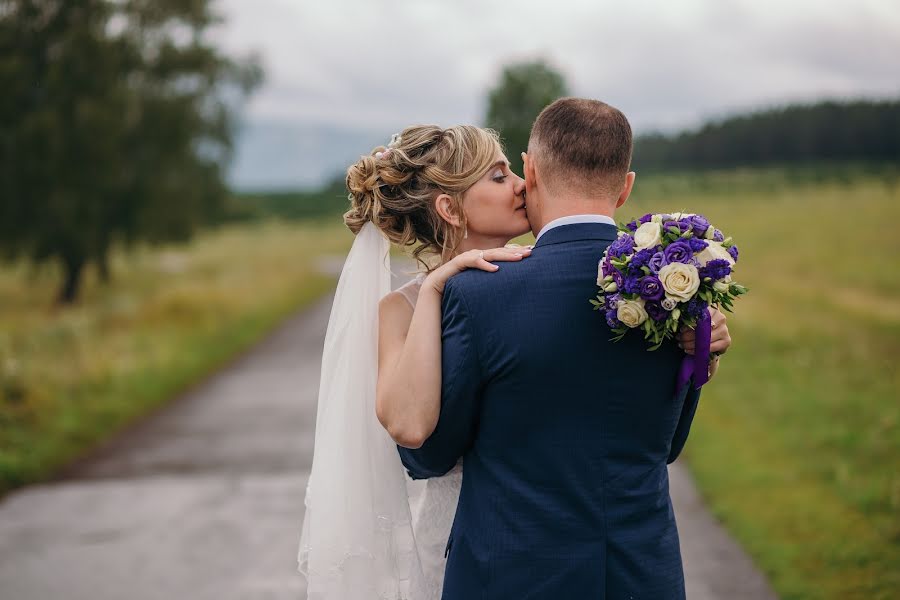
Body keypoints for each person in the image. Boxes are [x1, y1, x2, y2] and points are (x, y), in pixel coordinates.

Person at [299, 121, 730, 599]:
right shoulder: (403, 308)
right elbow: (414, 436)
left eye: (513, 170)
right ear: (450, 207)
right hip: (473, 547)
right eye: (499, 176)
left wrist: (700, 348)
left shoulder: (566, 281)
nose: (524, 184)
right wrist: (435, 291)